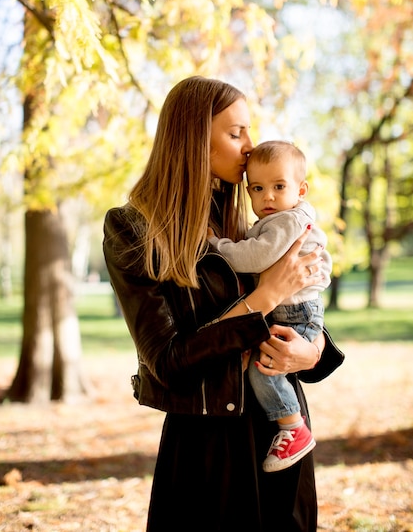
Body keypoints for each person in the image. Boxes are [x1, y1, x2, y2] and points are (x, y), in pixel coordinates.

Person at [103, 76, 344, 532]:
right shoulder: (133, 230)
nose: (250, 147)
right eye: (236, 134)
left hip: (282, 428)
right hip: (207, 441)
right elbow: (167, 362)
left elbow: (301, 307)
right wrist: (263, 297)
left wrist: (311, 352)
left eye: (249, 132)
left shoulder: (254, 216)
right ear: (194, 138)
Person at [208, 139, 332, 473]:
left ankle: (293, 427)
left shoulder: (288, 221)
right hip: (292, 309)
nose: (268, 197)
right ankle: (291, 425)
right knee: (265, 365)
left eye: (279, 186)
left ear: (301, 189)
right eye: (258, 188)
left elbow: (255, 256)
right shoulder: (285, 219)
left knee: (264, 368)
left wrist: (216, 246)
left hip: (295, 313)